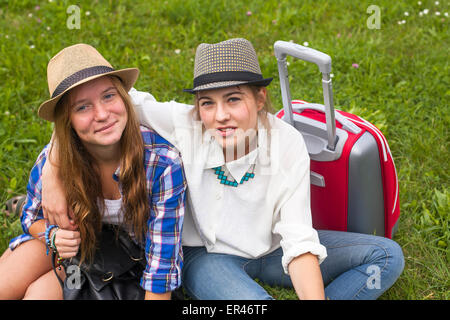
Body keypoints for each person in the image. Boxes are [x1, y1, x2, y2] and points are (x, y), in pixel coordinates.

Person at [40, 38, 404, 300]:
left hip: (274, 251)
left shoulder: (287, 143)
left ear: (260, 99)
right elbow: (98, 106)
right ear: (196, 107)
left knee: (386, 256)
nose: (220, 116)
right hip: (207, 257)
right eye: (207, 103)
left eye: (234, 99)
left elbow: (299, 239)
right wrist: (53, 168)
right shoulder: (186, 125)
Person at [0, 44, 186, 300]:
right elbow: (31, 217)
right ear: (68, 121)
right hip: (77, 246)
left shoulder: (162, 164)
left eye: (108, 96)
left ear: (124, 97)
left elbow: (161, 267)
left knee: (38, 293)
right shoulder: (52, 160)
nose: (102, 114)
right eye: (82, 107)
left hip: (126, 261)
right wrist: (53, 235)